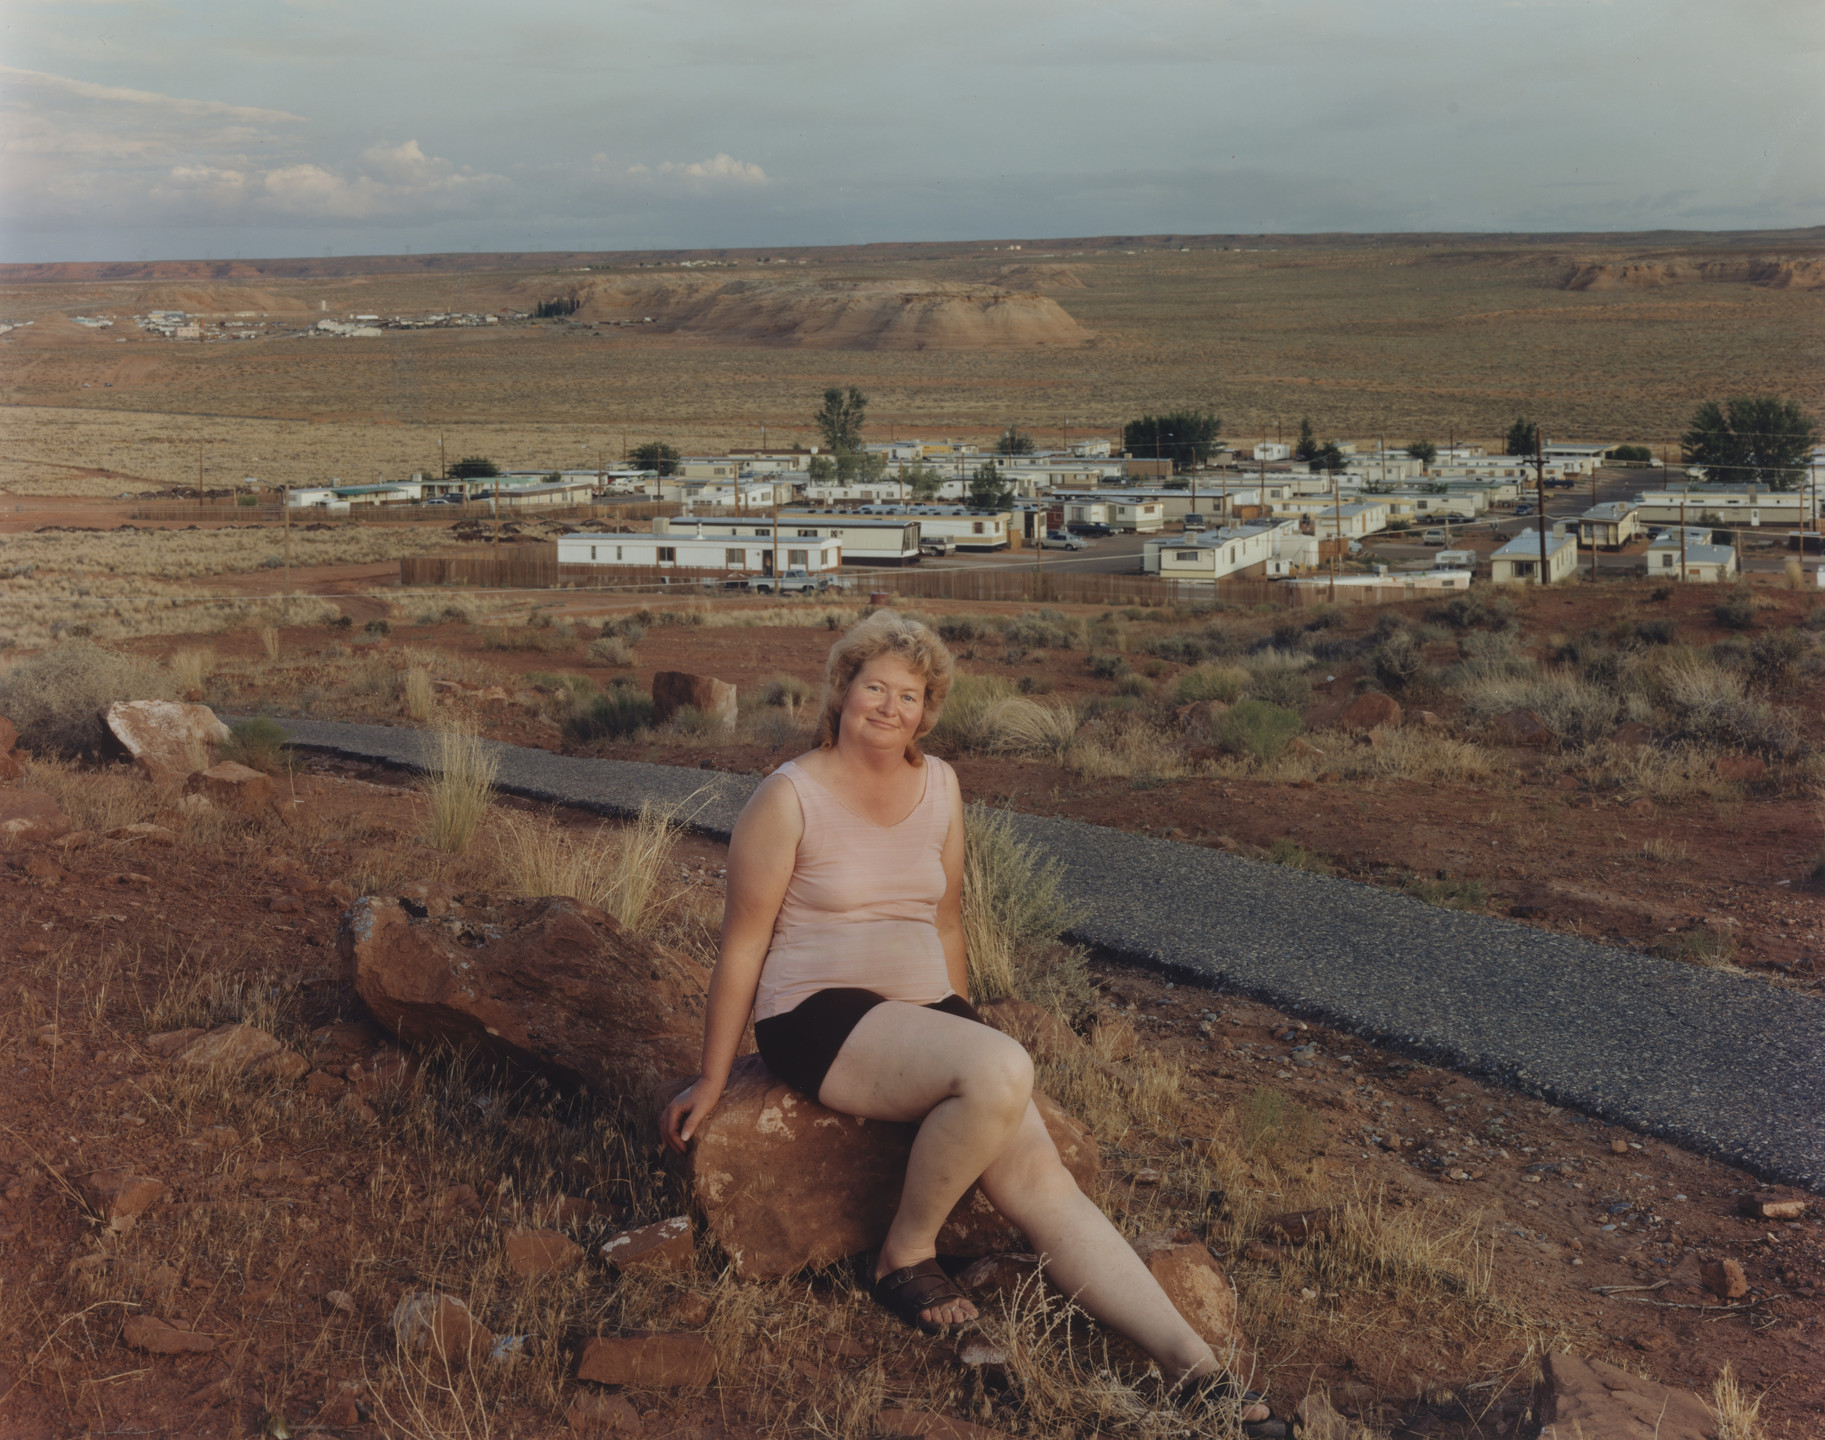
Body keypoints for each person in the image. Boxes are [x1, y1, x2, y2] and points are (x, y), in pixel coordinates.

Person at [662, 611, 1277, 1434]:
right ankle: (903, 1255)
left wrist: (962, 1028)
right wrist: (714, 1075)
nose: (886, 706)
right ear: (841, 691)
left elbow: (945, 921)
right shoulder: (789, 796)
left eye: (906, 695)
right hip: (816, 1012)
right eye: (872, 686)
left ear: (928, 710)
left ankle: (1195, 1372)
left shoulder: (942, 785)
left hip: (920, 1011)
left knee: (1035, 1172)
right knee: (998, 1070)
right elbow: (741, 948)